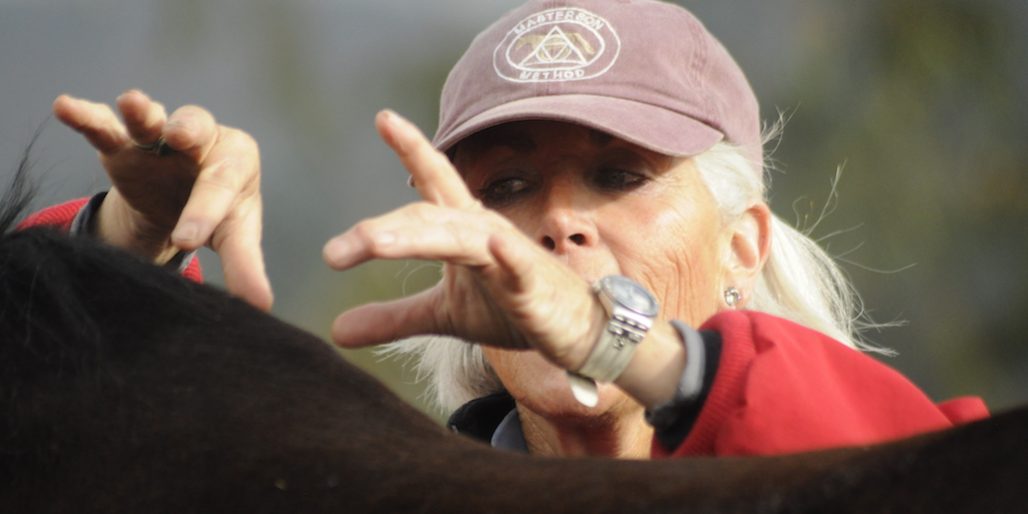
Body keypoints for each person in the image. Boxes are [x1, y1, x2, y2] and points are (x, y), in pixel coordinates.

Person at [24, 0, 987, 459]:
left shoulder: (910, 463)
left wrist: (644, 355)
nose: (560, 222)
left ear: (744, 241)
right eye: (508, 185)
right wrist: (129, 245)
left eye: (620, 175)